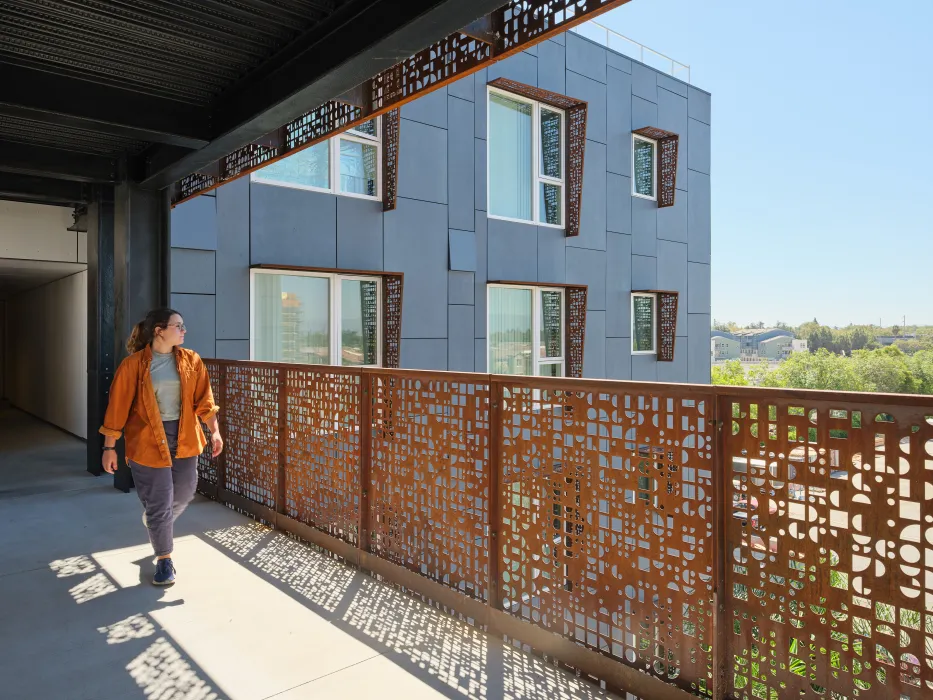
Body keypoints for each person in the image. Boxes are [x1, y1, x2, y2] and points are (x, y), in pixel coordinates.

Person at [99, 308, 223, 585]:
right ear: (159, 330)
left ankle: (156, 520)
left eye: (183, 325)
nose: (184, 330)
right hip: (146, 440)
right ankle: (164, 558)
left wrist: (214, 432)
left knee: (186, 489)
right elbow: (117, 408)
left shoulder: (192, 360)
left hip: (185, 436)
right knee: (160, 501)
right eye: (178, 326)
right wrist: (109, 448)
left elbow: (205, 400)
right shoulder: (133, 365)